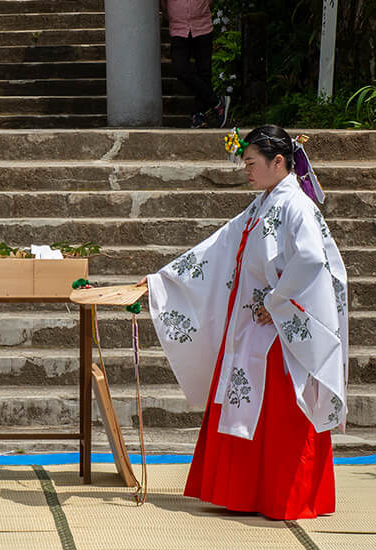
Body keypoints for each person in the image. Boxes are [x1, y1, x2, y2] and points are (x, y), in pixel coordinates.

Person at [145, 126, 348, 520]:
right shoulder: (264, 203)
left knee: (281, 415)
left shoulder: (296, 205)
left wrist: (276, 299)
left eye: (252, 163)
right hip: (260, 323)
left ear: (278, 162)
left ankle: (281, 496)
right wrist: (161, 280)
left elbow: (310, 259)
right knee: (257, 408)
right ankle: (252, 494)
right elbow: (220, 244)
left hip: (279, 330)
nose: (246, 170)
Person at [158, 0, 226, 128]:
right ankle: (216, 102)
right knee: (180, 69)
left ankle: (198, 115)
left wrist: (201, 11)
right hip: (178, 29)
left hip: (202, 27)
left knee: (204, 72)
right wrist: (172, 15)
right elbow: (162, 0)